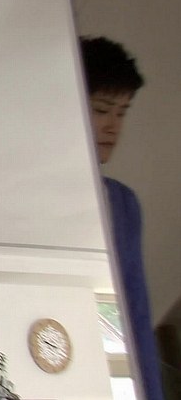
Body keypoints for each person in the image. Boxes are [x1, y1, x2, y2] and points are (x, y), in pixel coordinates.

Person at [81, 35, 164, 400]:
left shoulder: (122, 204)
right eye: (102, 110)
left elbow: (137, 317)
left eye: (122, 112)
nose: (113, 126)